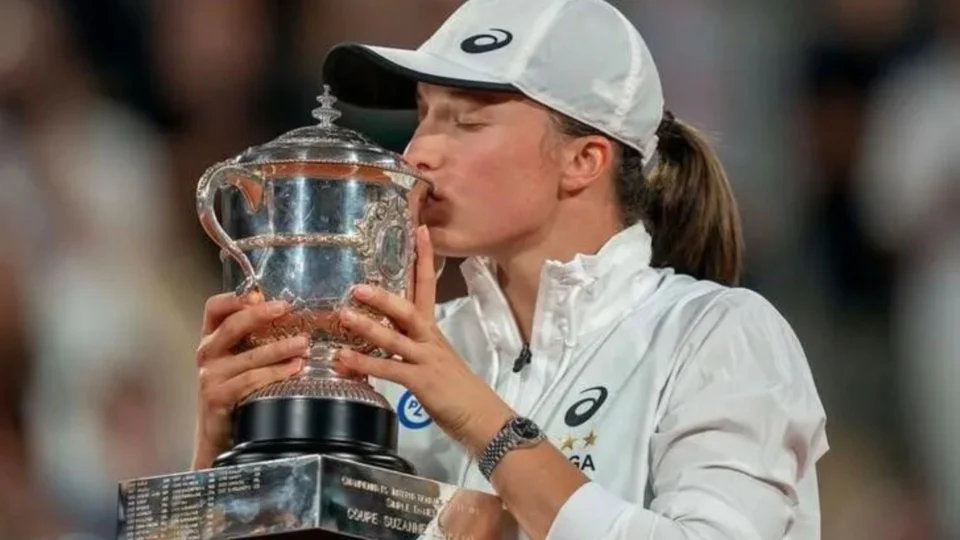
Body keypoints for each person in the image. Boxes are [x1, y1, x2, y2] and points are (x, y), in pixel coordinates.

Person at [192, 0, 829, 538]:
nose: (417, 154)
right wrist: (228, 458)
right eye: (422, 116)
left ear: (583, 160)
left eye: (466, 121)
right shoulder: (392, 366)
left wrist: (478, 419)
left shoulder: (715, 336)